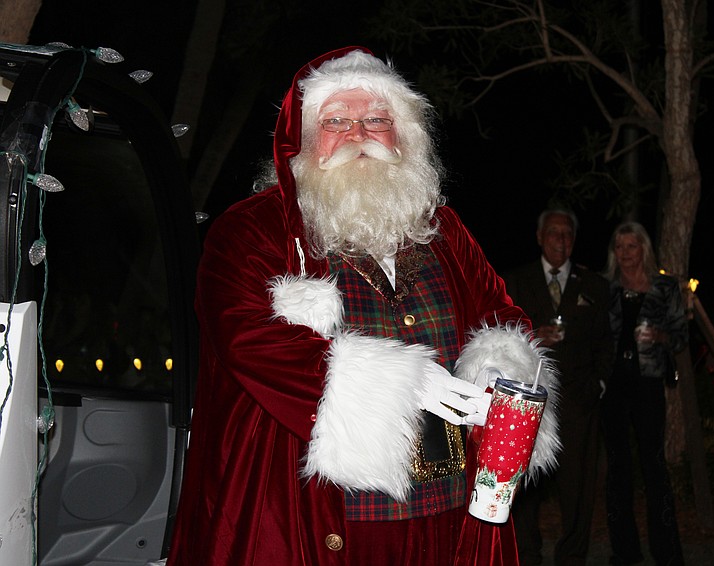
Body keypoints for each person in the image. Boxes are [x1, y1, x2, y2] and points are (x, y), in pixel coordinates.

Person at [166, 47, 562, 566]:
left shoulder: (445, 231)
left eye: (377, 119)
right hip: (325, 518)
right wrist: (399, 380)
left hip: (448, 511)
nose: (358, 134)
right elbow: (244, 337)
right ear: (304, 140)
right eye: (336, 120)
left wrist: (495, 374)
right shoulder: (250, 230)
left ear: (404, 136)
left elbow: (502, 315)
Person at [503, 209, 613, 565]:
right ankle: (527, 554)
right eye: (553, 233)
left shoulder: (593, 284)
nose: (561, 241)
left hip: (579, 400)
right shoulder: (514, 281)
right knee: (526, 484)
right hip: (529, 400)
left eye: (567, 234)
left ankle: (572, 556)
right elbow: (500, 335)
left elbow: (607, 340)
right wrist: (534, 336)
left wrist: (598, 383)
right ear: (539, 237)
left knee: (578, 486)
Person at [601, 221, 686, 566]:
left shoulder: (665, 287)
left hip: (649, 383)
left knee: (654, 466)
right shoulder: (606, 288)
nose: (625, 254)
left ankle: (666, 552)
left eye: (631, 246)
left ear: (644, 250)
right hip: (613, 385)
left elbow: (681, 336)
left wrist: (661, 337)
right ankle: (625, 551)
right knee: (618, 469)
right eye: (619, 247)